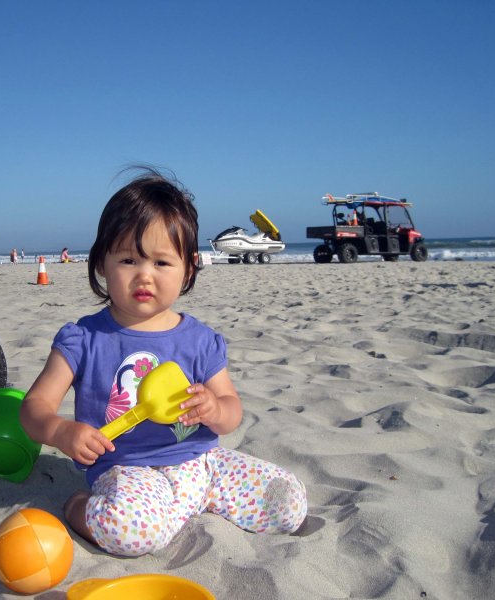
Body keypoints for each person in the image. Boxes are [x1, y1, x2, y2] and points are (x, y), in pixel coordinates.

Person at [20, 168, 307, 557]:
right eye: (128, 260)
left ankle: (191, 504)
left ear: (189, 267)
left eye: (161, 263)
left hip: (204, 465)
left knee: (288, 502)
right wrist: (59, 432)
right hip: (131, 471)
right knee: (132, 533)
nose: (144, 275)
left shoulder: (200, 340)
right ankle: (77, 507)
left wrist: (212, 407)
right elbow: (34, 407)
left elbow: (232, 412)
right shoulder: (84, 339)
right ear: (102, 262)